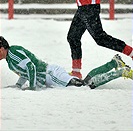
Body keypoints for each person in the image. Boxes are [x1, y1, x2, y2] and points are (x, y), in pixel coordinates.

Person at [0, 36, 132, 90]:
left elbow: (30, 67)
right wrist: (18, 85)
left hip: (50, 74)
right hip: (50, 75)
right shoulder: (10, 61)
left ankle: (121, 72)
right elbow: (25, 72)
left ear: (1, 48)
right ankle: (113, 63)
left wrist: (32, 88)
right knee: (84, 83)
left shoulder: (13, 52)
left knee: (84, 86)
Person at [67, 0, 133, 78]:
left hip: (89, 5)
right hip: (82, 6)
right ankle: (76, 72)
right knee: (73, 37)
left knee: (100, 38)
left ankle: (131, 52)